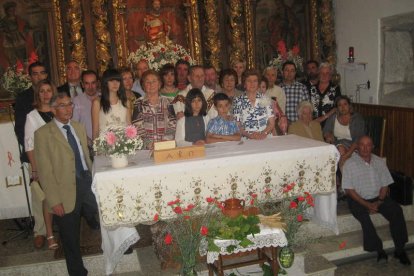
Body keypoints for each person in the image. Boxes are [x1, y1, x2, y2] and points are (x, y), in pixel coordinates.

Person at [35, 92, 99, 276]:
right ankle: (78, 272)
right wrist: (54, 201)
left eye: (70, 104)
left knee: (105, 216)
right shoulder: (43, 134)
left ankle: (120, 247)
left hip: (86, 183)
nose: (68, 108)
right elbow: (45, 172)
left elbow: (86, 157)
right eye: (63, 105)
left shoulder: (78, 127)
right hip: (64, 192)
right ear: (54, 109)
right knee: (70, 238)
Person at [342, 136, 411, 266]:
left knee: (397, 210)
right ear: (357, 147)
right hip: (357, 199)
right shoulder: (350, 164)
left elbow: (385, 184)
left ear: (373, 147)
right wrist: (367, 204)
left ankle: (400, 250)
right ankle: (379, 251)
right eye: (362, 145)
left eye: (368, 145)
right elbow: (349, 190)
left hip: (378, 197)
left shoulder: (379, 162)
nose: (365, 148)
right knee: (364, 218)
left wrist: (379, 201)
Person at [24, 79, 57, 250]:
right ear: (38, 95)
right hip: (40, 163)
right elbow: (29, 145)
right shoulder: (32, 116)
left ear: (53, 93)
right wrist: (35, 168)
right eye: (42, 91)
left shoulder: (57, 111)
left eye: (48, 90)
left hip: (59, 162)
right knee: (42, 200)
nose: (45, 94)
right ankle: (41, 233)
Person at [132, 70, 176, 149]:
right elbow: (137, 128)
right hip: (146, 150)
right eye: (147, 82)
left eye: (154, 81)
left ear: (159, 84)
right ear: (143, 86)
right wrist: (150, 144)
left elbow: (173, 124)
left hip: (166, 147)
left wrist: (165, 141)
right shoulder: (138, 103)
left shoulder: (168, 101)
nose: (151, 84)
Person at [14, 61, 48, 163]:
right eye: (35, 74)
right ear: (30, 77)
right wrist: (33, 151)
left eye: (42, 73)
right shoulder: (22, 98)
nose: (39, 77)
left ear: (46, 75)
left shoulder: (54, 94)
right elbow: (20, 129)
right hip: (35, 152)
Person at [323, 95, 365, 169]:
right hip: (337, 145)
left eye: (345, 104)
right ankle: (344, 178)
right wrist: (328, 135)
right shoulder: (333, 117)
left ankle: (343, 178)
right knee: (340, 148)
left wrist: (347, 155)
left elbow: (357, 140)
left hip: (354, 147)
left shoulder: (357, 118)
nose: (343, 107)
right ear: (337, 108)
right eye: (340, 105)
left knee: (341, 150)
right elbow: (326, 131)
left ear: (349, 106)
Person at [232, 69, 274, 140]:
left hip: (265, 138)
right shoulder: (237, 101)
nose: (252, 83)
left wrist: (263, 133)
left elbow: (272, 123)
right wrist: (250, 135)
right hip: (247, 140)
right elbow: (237, 126)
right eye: (249, 81)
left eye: (255, 81)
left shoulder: (266, 98)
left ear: (258, 83)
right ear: (244, 84)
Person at [91, 69, 131, 140]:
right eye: (112, 81)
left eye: (117, 81)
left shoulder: (126, 102)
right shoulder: (97, 103)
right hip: (105, 146)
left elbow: (129, 127)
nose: (115, 84)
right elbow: (95, 131)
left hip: (124, 145)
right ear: (106, 82)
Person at [72, 70, 99, 141]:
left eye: (93, 83)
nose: (90, 87)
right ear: (82, 84)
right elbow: (74, 125)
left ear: (97, 83)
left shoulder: (104, 98)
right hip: (85, 144)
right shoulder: (76, 101)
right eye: (87, 83)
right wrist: (87, 141)